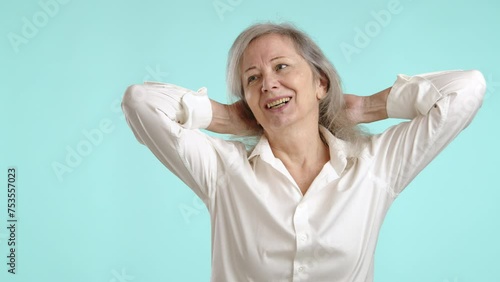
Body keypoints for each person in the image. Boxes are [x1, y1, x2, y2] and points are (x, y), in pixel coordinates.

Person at [121, 22, 486, 282]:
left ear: (320, 83)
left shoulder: (375, 165)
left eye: (281, 66)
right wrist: (229, 117)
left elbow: (468, 89)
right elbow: (141, 102)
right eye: (252, 78)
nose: (268, 83)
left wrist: (365, 108)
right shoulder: (223, 170)